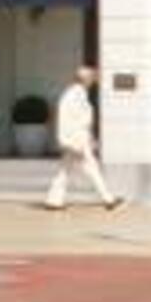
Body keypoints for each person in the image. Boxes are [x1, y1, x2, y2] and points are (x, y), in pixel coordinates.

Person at [42, 65, 123, 210]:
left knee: (65, 170)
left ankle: (53, 200)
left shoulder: (73, 93)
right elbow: (78, 120)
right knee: (91, 168)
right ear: (84, 79)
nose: (93, 81)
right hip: (78, 139)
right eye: (91, 78)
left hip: (74, 138)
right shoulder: (76, 95)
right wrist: (87, 138)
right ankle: (108, 200)